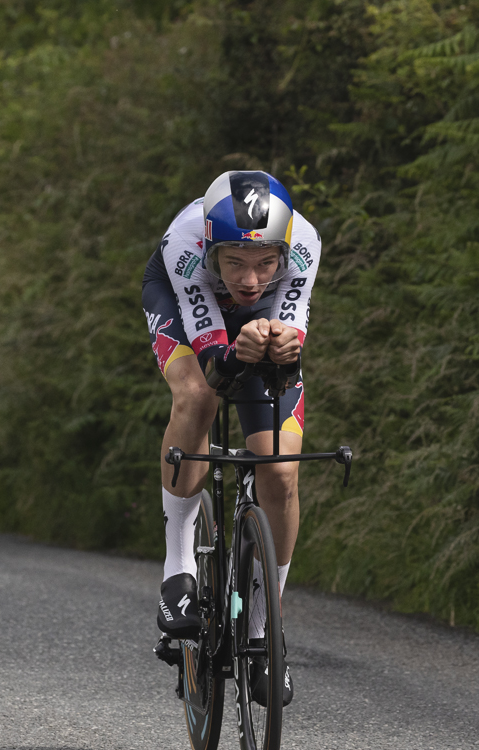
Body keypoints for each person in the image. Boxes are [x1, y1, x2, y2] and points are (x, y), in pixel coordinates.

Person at [142, 170, 320, 706]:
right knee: (198, 395)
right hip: (184, 303)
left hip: (262, 322)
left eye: (267, 261)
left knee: (282, 473)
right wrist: (234, 350)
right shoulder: (186, 241)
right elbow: (217, 363)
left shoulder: (305, 244)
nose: (250, 277)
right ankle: (178, 569)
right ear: (213, 248)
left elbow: (288, 347)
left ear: (284, 249)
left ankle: (266, 629)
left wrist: (281, 348)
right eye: (236, 261)